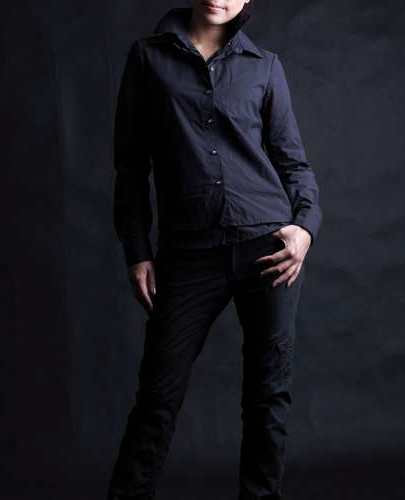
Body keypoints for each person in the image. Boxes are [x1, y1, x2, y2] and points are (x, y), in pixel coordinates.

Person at [107, 1, 323, 499]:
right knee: (157, 396)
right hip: (188, 254)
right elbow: (131, 165)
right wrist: (137, 250)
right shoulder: (148, 58)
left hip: (267, 246)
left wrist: (304, 228)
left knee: (268, 393)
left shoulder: (264, 66)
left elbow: (294, 163)